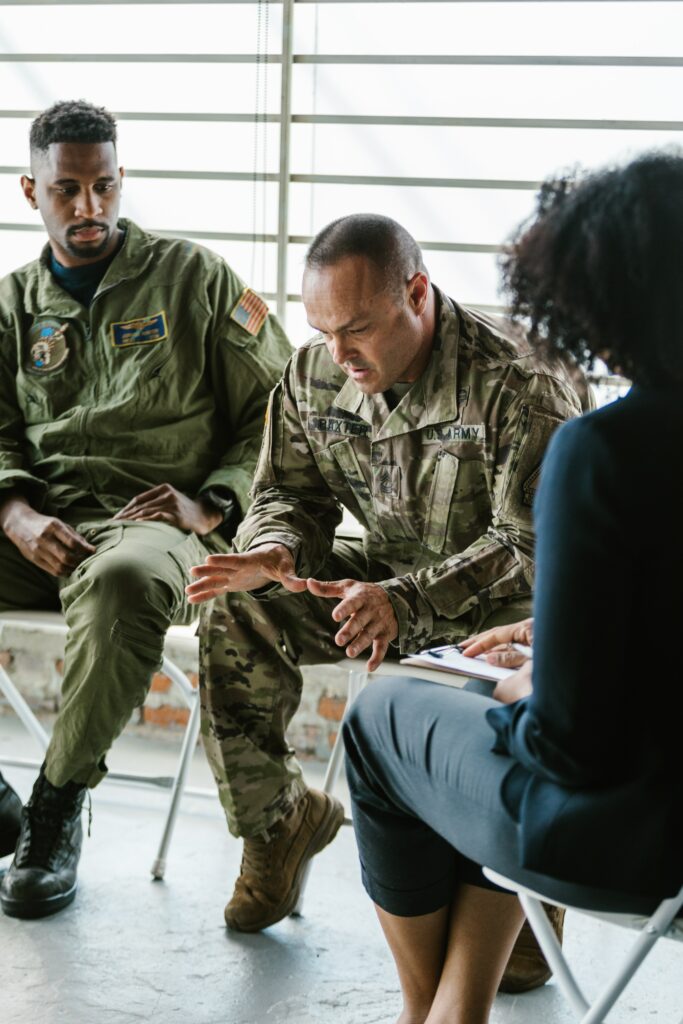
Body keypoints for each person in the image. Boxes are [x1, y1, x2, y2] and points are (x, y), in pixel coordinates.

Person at [341, 153, 683, 1024]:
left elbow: (571, 745)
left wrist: (535, 681)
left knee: (384, 718)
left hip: (632, 839)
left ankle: (437, 1013)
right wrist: (568, 632)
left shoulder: (605, 450)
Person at [186, 213, 584, 948]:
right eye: (323, 330)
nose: (338, 353)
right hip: (383, 576)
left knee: (520, 968)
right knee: (240, 610)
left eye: (358, 330)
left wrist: (404, 602)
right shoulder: (315, 371)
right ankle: (278, 824)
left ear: (418, 293)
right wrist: (273, 548)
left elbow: (533, 546)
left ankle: (526, 892)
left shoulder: (518, 381)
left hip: (504, 608)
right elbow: (287, 494)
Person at [0, 100, 292, 919]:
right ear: (32, 191)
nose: (88, 208)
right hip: (41, 522)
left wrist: (212, 502)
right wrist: (14, 512)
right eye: (67, 191)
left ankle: (55, 808)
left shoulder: (195, 279)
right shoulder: (11, 306)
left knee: (124, 582)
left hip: (154, 524)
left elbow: (279, 410)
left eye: (102, 187)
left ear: (120, 181)